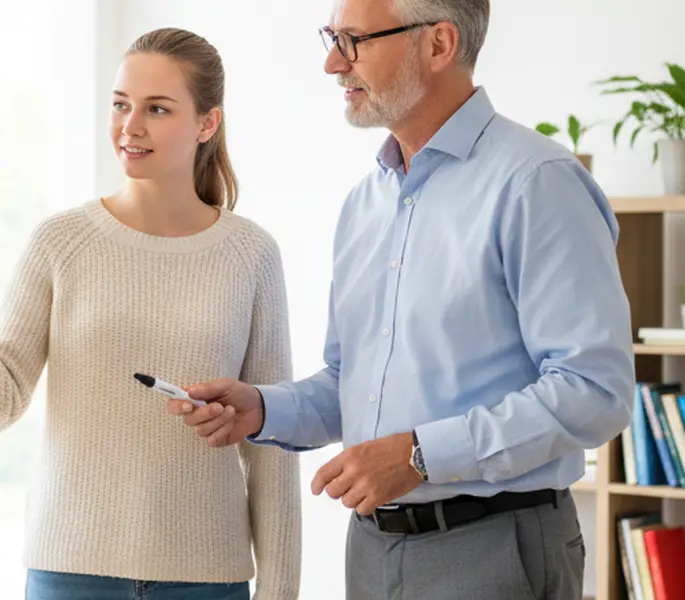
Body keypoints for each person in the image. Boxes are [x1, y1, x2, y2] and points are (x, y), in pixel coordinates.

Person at [167, 1, 634, 599]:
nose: (333, 63)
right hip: (371, 549)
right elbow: (353, 383)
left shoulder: (536, 183)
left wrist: (419, 455)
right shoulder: (366, 203)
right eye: (332, 38)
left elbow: (594, 391)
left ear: (438, 45)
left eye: (355, 41)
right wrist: (261, 408)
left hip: (494, 549)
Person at [0, 27, 302, 600]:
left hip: (207, 580)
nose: (131, 126)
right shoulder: (61, 241)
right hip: (71, 570)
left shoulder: (250, 254)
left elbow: (271, 444)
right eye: (121, 104)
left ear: (207, 123)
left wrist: (280, 592)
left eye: (157, 108)